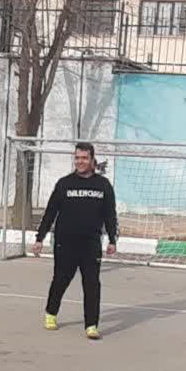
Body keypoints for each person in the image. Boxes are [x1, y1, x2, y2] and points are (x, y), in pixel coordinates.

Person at [32, 142, 119, 340]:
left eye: (84, 158)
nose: (80, 161)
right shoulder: (64, 183)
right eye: (77, 158)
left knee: (92, 284)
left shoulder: (103, 185)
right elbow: (50, 212)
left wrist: (112, 239)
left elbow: (110, 215)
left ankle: (91, 325)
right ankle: (51, 313)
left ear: (92, 160)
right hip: (65, 242)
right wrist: (40, 238)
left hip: (91, 243)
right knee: (61, 279)